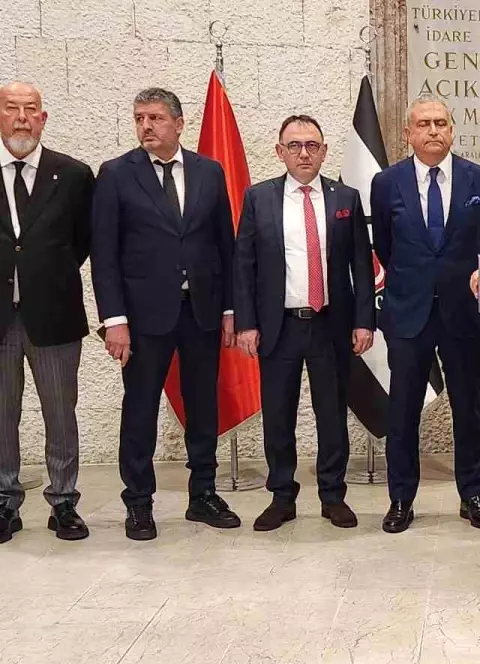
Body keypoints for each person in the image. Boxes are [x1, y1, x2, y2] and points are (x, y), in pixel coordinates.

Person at [91, 87, 240, 541]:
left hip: (201, 311)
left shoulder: (209, 172)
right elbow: (104, 254)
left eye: (155, 117)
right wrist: (114, 319)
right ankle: (139, 502)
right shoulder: (116, 174)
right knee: (140, 409)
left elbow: (225, 244)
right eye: (140, 118)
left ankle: (203, 494)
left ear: (179, 123)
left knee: (203, 406)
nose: (146, 126)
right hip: (142, 318)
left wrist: (230, 307)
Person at [233, 115, 375, 531]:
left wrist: (364, 321)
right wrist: (246, 323)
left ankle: (333, 496)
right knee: (279, 416)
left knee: (332, 415)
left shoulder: (345, 198)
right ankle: (282, 496)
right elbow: (244, 266)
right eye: (294, 146)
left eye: (312, 145)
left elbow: (362, 265)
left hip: (331, 324)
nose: (303, 153)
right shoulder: (259, 198)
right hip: (279, 326)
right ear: (280, 152)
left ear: (324, 151)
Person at [370, 94, 480, 533]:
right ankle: (401, 499)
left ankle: (473, 495)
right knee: (403, 411)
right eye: (423, 124)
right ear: (408, 133)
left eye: (440, 123)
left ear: (452, 130)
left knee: (469, 409)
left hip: (464, 314)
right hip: (409, 313)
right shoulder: (387, 183)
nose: (432, 131)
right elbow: (385, 246)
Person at [0, 82, 94, 543]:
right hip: (1, 320)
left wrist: (44, 274)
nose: (22, 117)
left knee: (60, 413)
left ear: (43, 118)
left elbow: (83, 241)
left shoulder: (73, 174)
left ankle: (64, 502)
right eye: (12, 108)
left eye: (30, 109)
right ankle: (4, 500)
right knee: (2, 415)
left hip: (55, 315)